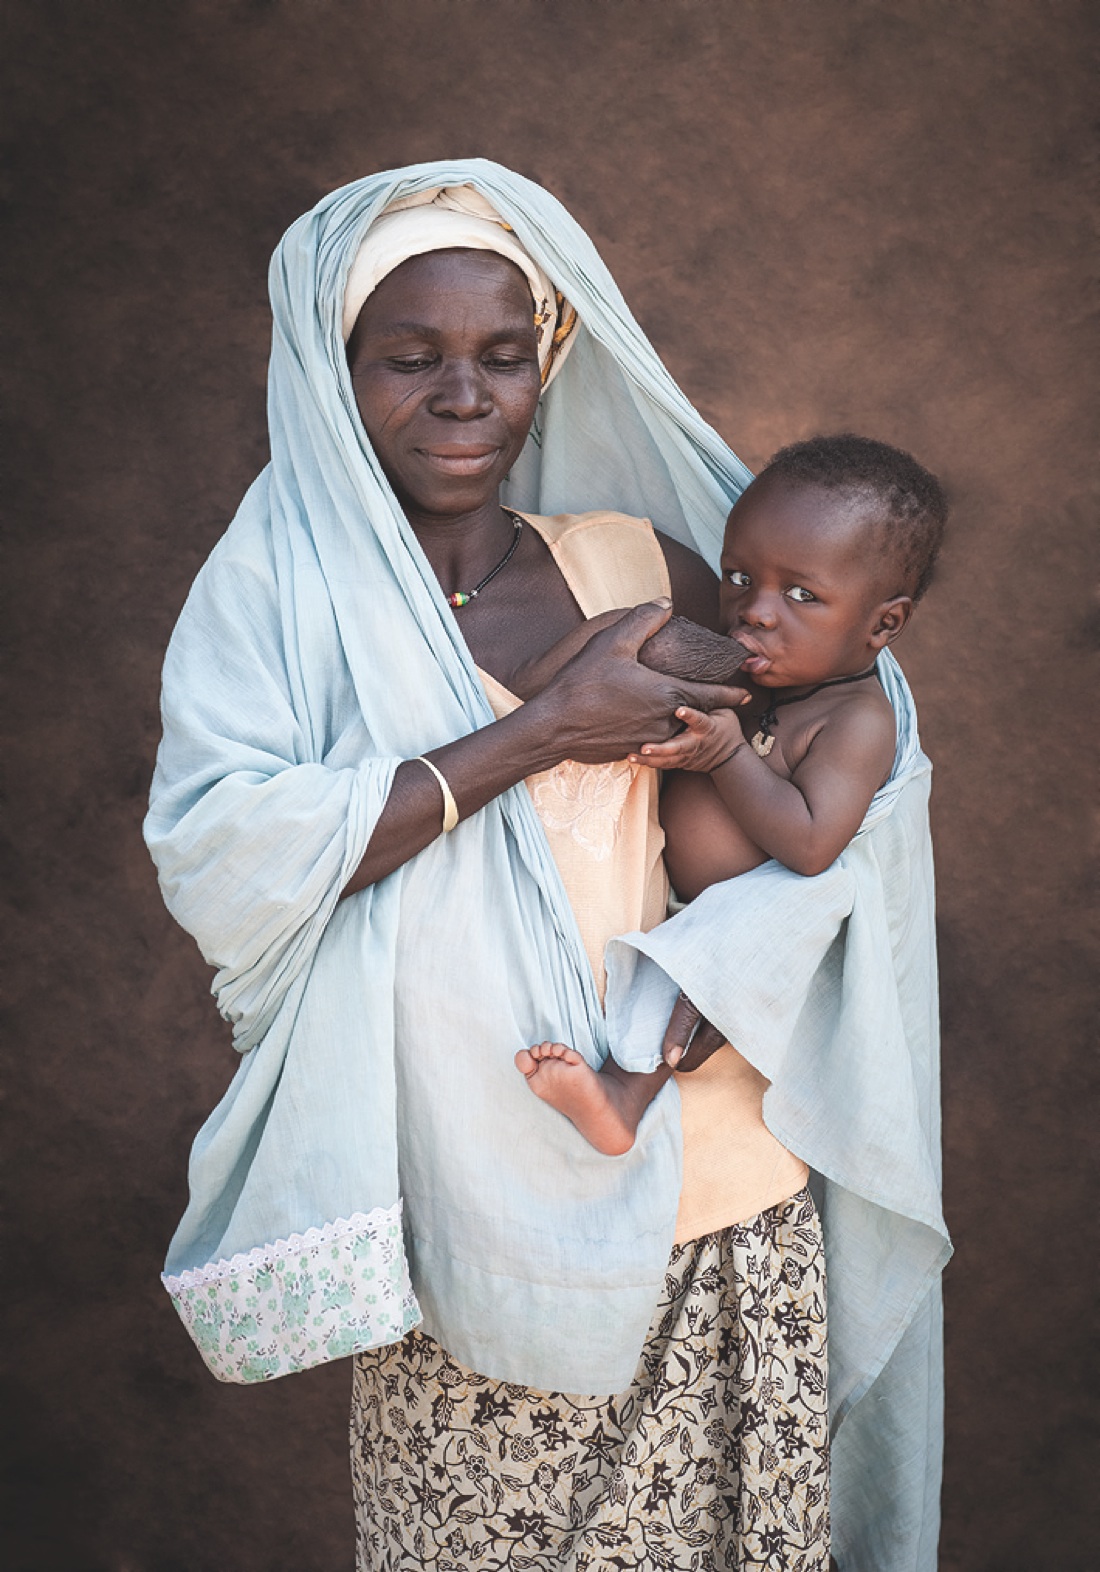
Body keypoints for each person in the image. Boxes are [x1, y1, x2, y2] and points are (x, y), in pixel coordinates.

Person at [146, 161, 949, 1572]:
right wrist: (539, 732)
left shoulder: (638, 571)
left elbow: (823, 792)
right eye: (409, 358)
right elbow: (229, 860)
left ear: (548, 363)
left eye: (502, 356)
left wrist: (718, 986)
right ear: (334, 374)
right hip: (460, 1211)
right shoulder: (281, 603)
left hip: (710, 1196)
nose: (465, 396)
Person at [516, 435, 948, 1158]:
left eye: (802, 595)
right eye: (740, 578)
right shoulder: (744, 667)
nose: (756, 612)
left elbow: (811, 846)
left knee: (695, 963)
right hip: (670, 899)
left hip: (748, 918)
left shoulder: (856, 721)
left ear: (883, 624)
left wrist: (724, 754)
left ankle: (623, 1098)